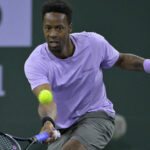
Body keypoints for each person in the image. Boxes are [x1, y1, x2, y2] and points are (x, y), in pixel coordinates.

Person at [24, 0, 150, 149]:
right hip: (62, 129)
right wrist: (48, 122)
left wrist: (147, 64)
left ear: (69, 28)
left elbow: (120, 60)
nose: (52, 34)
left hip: (97, 116)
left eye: (59, 28)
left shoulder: (93, 43)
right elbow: (46, 98)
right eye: (48, 28)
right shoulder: (36, 61)